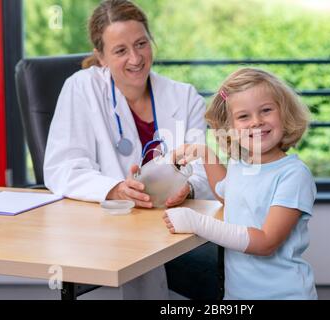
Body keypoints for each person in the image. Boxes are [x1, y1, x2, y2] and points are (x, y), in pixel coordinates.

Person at [43, 0, 214, 299]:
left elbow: (203, 172)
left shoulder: (184, 97)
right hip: (111, 232)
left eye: (141, 44)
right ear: (101, 57)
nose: (135, 58)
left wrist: (188, 189)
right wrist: (116, 188)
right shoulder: (81, 89)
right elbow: (62, 168)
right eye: (120, 50)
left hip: (172, 227)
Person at [164, 68, 318, 299]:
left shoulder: (293, 175)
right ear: (230, 127)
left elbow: (266, 242)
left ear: (284, 114)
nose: (256, 122)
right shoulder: (241, 164)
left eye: (266, 110)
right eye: (243, 116)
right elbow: (228, 195)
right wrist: (205, 154)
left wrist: (197, 223)